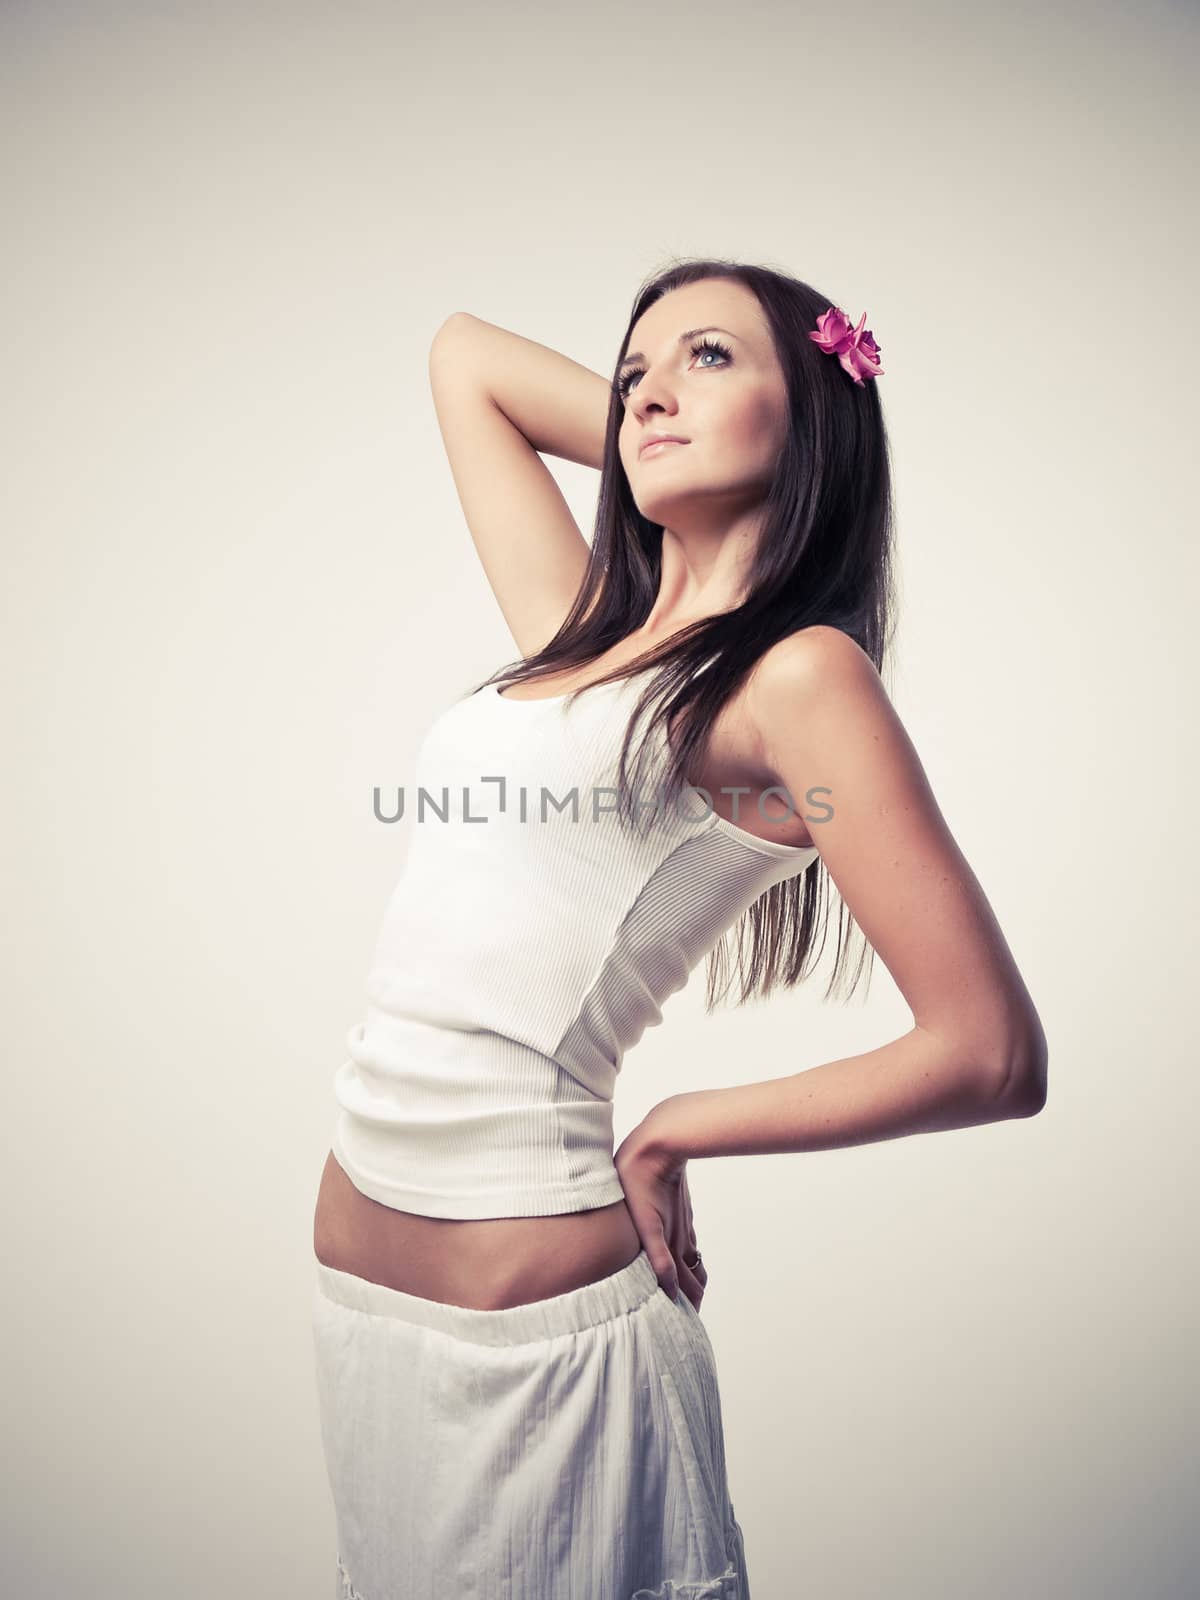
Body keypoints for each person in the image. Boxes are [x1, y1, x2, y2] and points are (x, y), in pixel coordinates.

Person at [309, 259, 1048, 1598]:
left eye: (706, 358)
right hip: (367, 1319)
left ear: (810, 410)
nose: (647, 391)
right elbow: (463, 354)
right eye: (634, 369)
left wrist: (677, 1125)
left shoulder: (795, 680)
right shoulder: (588, 625)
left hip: (536, 1350)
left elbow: (992, 1052)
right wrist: (671, 429)